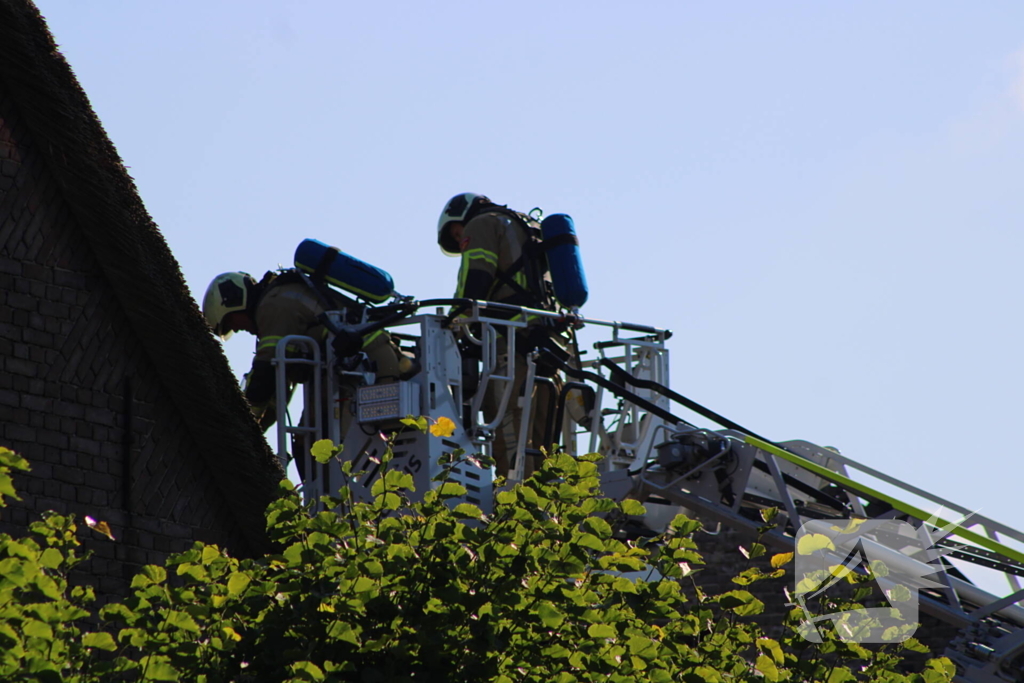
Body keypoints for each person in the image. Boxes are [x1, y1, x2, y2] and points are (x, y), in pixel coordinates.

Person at [202, 269, 410, 461]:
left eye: (231, 323)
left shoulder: (273, 306)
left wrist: (239, 426)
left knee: (349, 446)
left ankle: (339, 496)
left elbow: (264, 379)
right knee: (307, 443)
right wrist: (253, 430)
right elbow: (277, 392)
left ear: (235, 301)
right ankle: (328, 497)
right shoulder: (278, 301)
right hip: (346, 371)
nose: (237, 330)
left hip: (368, 365)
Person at [437, 193, 564, 478]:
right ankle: (550, 504)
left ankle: (512, 503)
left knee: (507, 430)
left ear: (462, 216)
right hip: (548, 346)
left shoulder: (482, 224)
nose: (461, 241)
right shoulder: (526, 227)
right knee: (545, 437)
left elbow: (476, 281)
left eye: (458, 234)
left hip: (510, 345)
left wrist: (453, 322)